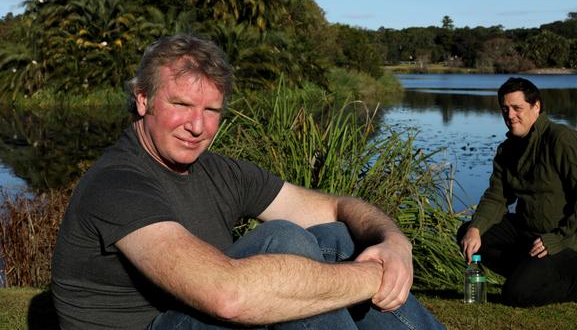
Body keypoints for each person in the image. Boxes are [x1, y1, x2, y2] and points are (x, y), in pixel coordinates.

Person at [51, 34, 445, 330]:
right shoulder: (117, 184)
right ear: (143, 100)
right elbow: (229, 296)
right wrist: (374, 277)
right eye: (181, 105)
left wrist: (394, 243)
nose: (197, 126)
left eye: (212, 110)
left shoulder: (221, 171)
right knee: (284, 240)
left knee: (340, 238)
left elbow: (336, 207)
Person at [457, 77, 577, 307]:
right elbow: (497, 196)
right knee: (468, 233)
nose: (510, 115)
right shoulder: (508, 149)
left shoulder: (563, 140)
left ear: (536, 106)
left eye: (517, 108)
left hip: (574, 238)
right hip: (531, 232)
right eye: (505, 109)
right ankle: (531, 274)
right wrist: (476, 227)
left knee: (516, 295)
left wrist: (559, 238)